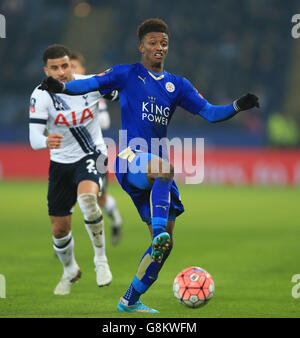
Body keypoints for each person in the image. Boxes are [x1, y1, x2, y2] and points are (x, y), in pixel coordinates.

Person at [39, 19, 259, 312]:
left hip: (155, 169)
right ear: (141, 46)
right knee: (164, 169)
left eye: (164, 43)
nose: (159, 48)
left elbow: (210, 113)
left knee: (163, 247)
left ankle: (129, 300)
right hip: (131, 157)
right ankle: (159, 232)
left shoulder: (177, 85)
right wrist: (61, 87)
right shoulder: (126, 74)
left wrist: (237, 106)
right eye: (153, 43)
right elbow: (89, 84)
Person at [29, 44, 116, 295]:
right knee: (59, 229)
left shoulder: (89, 84)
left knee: (88, 198)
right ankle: (70, 269)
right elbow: (34, 138)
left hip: (94, 154)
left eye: (65, 65)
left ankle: (101, 260)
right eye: (54, 68)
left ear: (71, 65)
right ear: (46, 70)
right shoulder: (41, 95)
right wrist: (45, 141)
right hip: (60, 164)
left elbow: (122, 94)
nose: (61, 72)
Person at [69, 50, 123, 245]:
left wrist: (87, 117)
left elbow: (106, 122)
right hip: (71, 154)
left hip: (95, 154)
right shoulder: (62, 96)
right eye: (69, 67)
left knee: (99, 198)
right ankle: (63, 241)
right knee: (68, 199)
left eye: (74, 67)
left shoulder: (94, 93)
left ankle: (116, 219)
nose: (71, 71)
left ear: (82, 70)